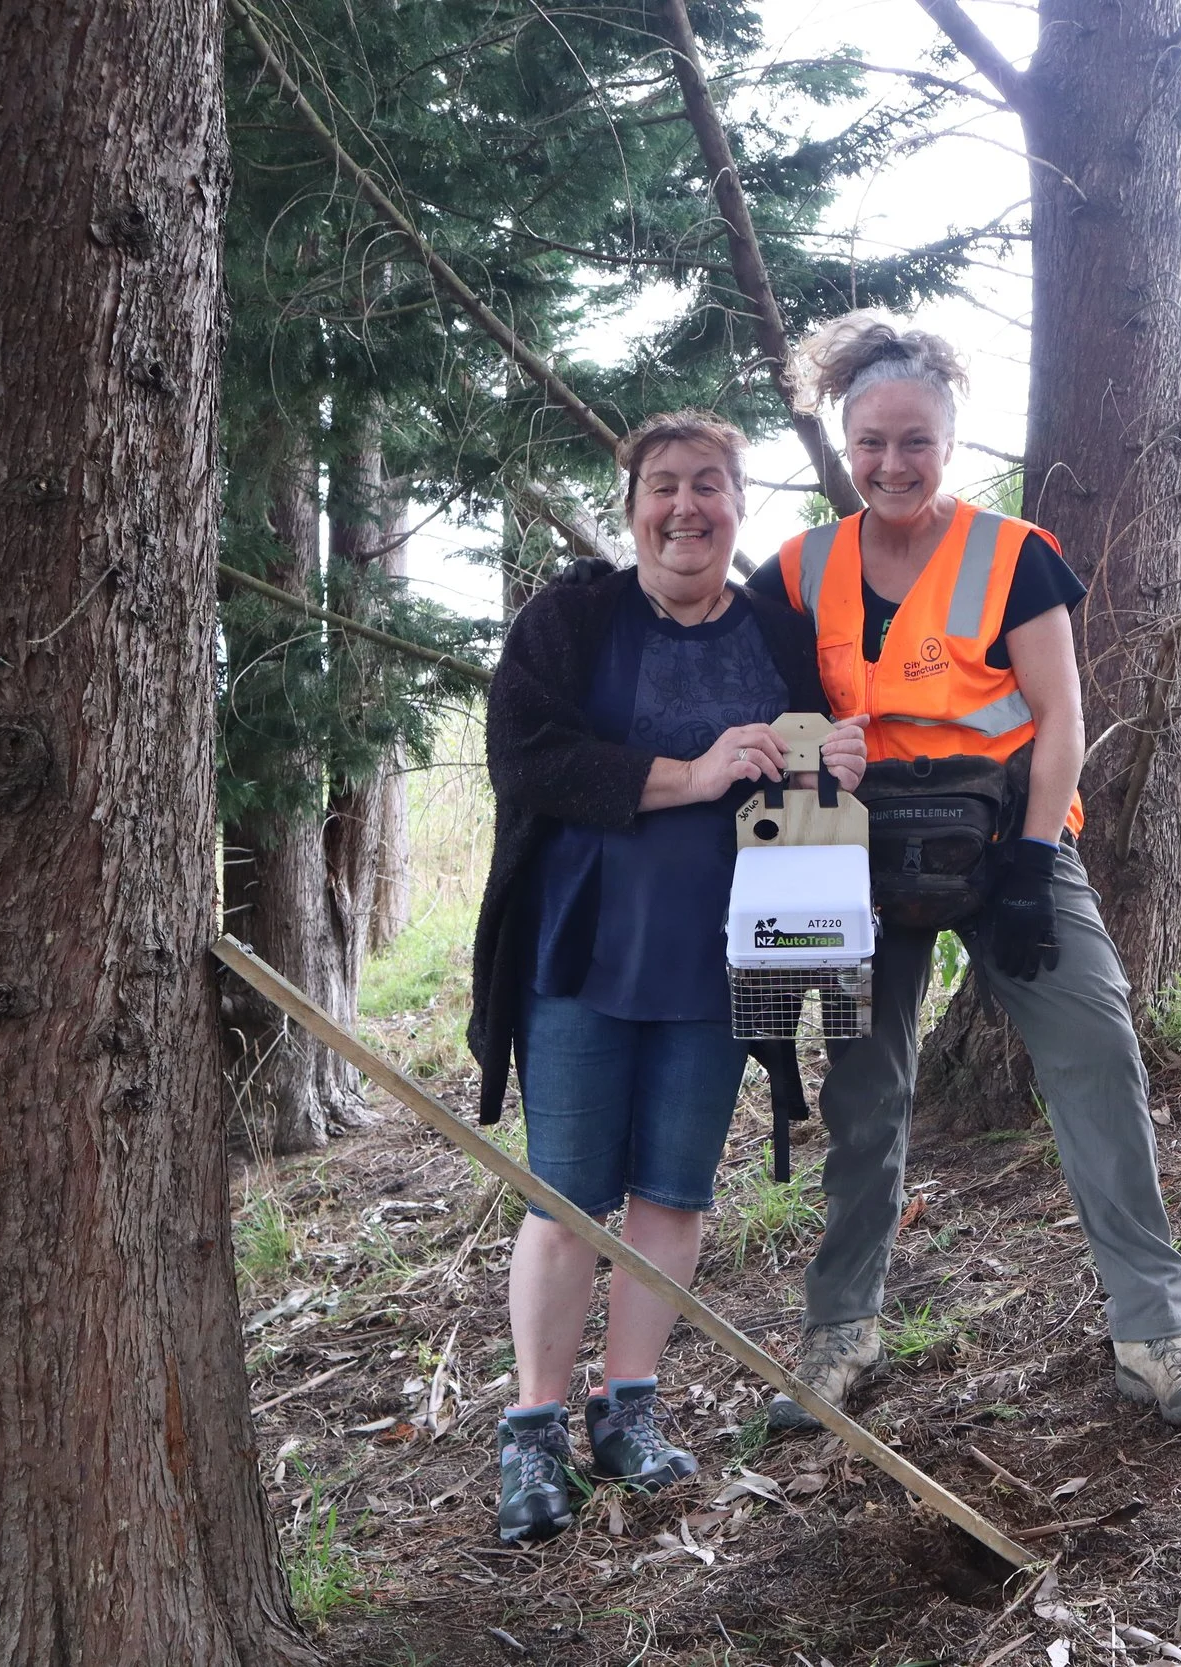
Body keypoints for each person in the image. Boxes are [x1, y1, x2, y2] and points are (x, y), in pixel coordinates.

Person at [745, 314, 1181, 1433]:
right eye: (870, 442)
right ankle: (840, 1328)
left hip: (1004, 836)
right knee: (863, 1088)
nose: (890, 464)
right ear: (842, 438)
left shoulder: (1014, 553)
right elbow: (769, 718)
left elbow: (1064, 718)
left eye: (913, 440)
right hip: (854, 851)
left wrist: (1028, 859)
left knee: (1096, 1050)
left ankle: (1154, 1331)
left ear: (950, 437)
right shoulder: (797, 569)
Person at [466, 411, 869, 1544]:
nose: (685, 506)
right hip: (582, 945)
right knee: (564, 1198)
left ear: (740, 504)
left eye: (710, 485)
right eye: (663, 486)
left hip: (722, 956)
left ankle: (626, 1413)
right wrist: (688, 775)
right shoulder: (573, 616)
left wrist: (836, 758)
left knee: (673, 1195)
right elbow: (526, 755)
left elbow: (817, 777)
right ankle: (533, 1433)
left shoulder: (779, 633)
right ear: (631, 501)